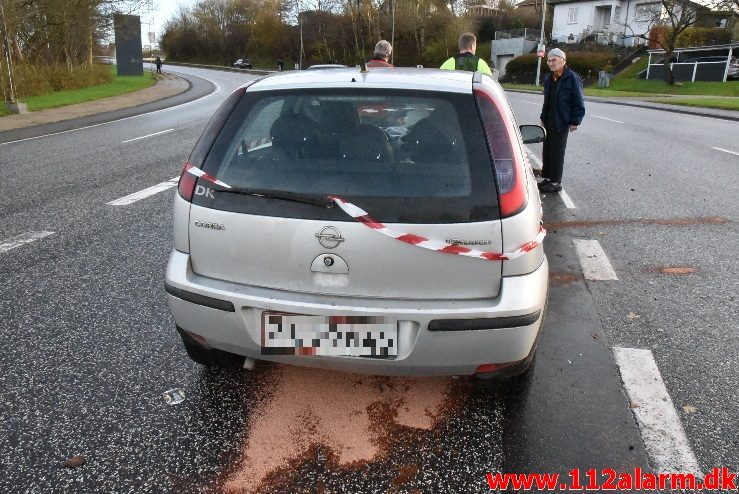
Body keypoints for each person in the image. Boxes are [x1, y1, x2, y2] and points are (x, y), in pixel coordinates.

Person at [537, 48, 585, 193]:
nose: (551, 63)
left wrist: (575, 121)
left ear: (563, 61)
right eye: (549, 60)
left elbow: (579, 101)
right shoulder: (549, 78)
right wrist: (543, 117)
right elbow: (547, 101)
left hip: (562, 121)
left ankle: (556, 182)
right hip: (549, 119)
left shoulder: (572, 78)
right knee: (547, 150)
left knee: (557, 152)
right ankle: (547, 178)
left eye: (554, 60)